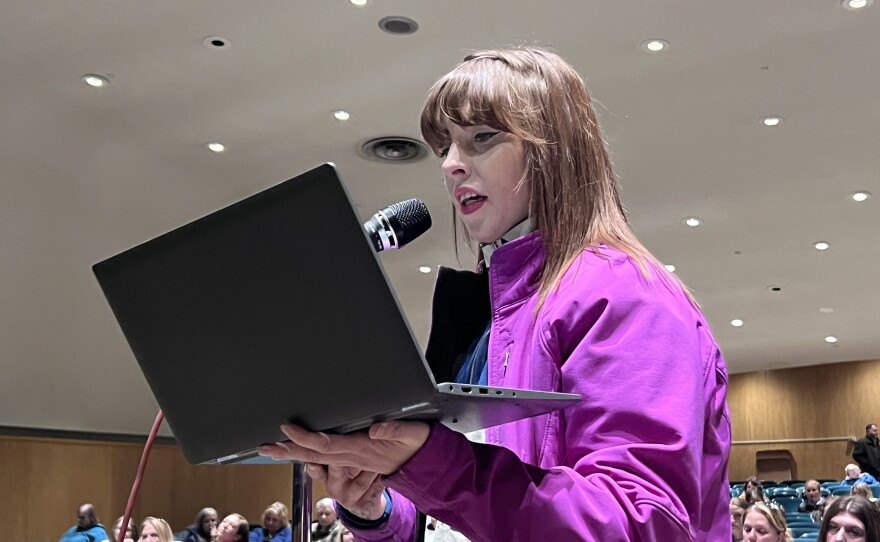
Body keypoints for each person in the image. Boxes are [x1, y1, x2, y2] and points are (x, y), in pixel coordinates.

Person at [258, 46, 732, 540]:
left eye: (482, 138)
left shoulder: (626, 296)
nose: (451, 165)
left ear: (554, 150)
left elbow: (640, 525)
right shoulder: (486, 319)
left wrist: (436, 463)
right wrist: (375, 508)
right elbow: (454, 523)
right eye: (445, 147)